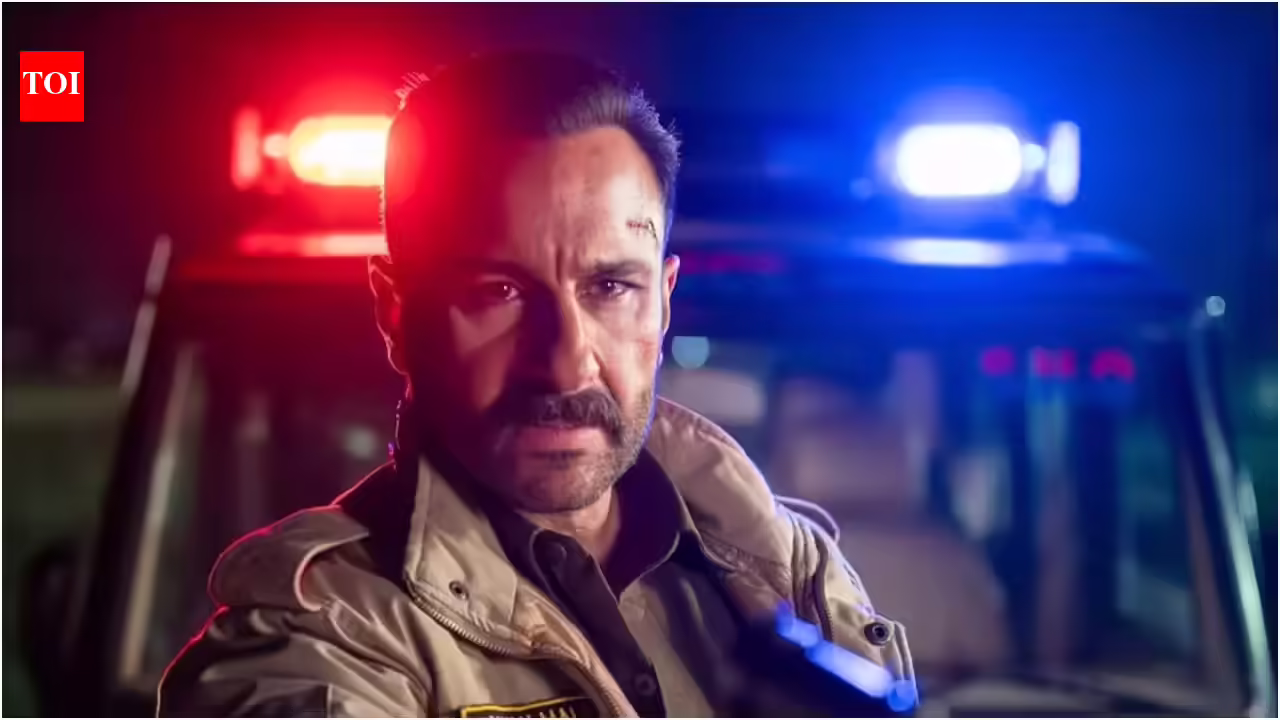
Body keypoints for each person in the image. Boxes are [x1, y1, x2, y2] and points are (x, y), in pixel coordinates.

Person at [157, 50, 913, 718]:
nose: (563, 363)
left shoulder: (788, 572)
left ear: (663, 302)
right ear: (395, 313)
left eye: (610, 287)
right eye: (498, 292)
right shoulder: (319, 637)